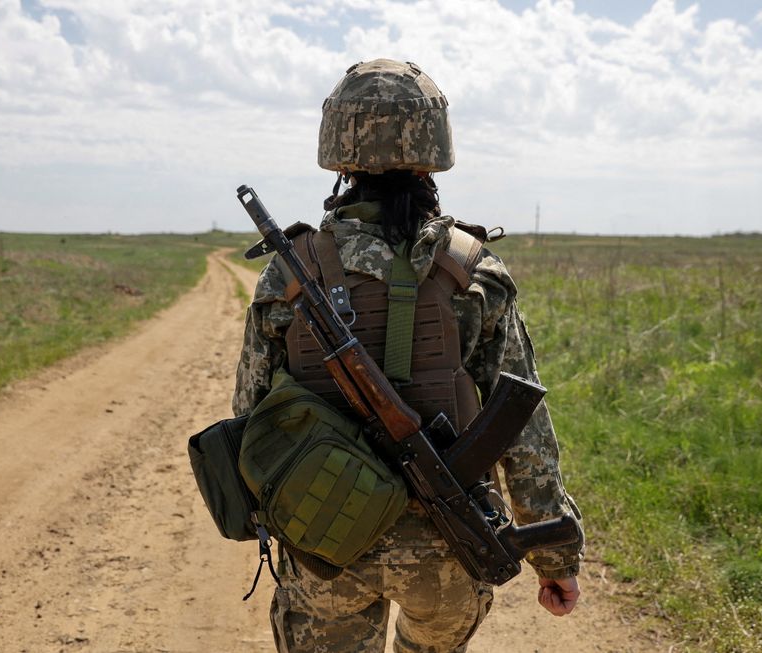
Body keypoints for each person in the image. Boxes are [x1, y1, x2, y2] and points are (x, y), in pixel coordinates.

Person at [233, 59, 584, 653]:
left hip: (324, 541)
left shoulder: (291, 275)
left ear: (338, 152)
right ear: (435, 148)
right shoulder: (474, 272)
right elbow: (524, 434)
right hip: (446, 555)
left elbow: (249, 416)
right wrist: (555, 557)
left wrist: (267, 521)